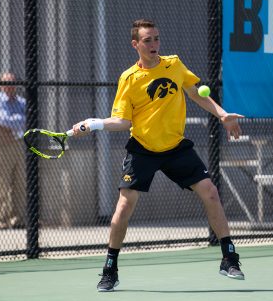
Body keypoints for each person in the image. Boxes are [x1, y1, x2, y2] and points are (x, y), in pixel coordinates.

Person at [71, 19, 245, 292]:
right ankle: (110, 269)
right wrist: (93, 124)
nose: (154, 44)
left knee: (210, 192)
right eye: (148, 40)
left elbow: (196, 93)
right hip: (142, 149)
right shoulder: (129, 79)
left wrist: (222, 114)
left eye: (156, 39)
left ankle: (229, 257)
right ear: (135, 44)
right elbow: (123, 122)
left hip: (175, 146)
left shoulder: (174, 65)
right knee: (124, 206)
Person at [0, 72, 26, 230]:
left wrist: (13, 123)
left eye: (12, 83)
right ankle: (1, 220)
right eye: (6, 83)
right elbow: (1, 119)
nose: (10, 87)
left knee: (20, 182)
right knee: (1, 182)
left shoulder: (21, 101)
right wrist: (17, 121)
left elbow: (28, 118)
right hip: (1, 145)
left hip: (19, 143)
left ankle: (18, 220)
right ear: (1, 85)